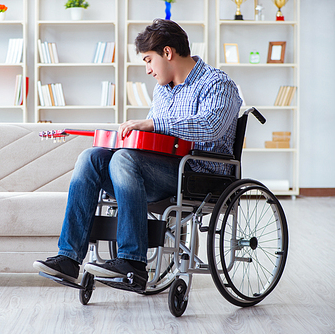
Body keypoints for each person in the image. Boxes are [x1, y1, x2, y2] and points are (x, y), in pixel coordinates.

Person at [33, 19, 242, 290]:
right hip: (160, 170)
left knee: (123, 159)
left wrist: (152, 125)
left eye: (148, 60)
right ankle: (69, 259)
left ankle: (132, 263)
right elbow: (155, 142)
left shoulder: (218, 83)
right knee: (92, 157)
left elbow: (211, 127)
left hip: (199, 174)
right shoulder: (162, 91)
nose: (147, 70)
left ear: (167, 53)